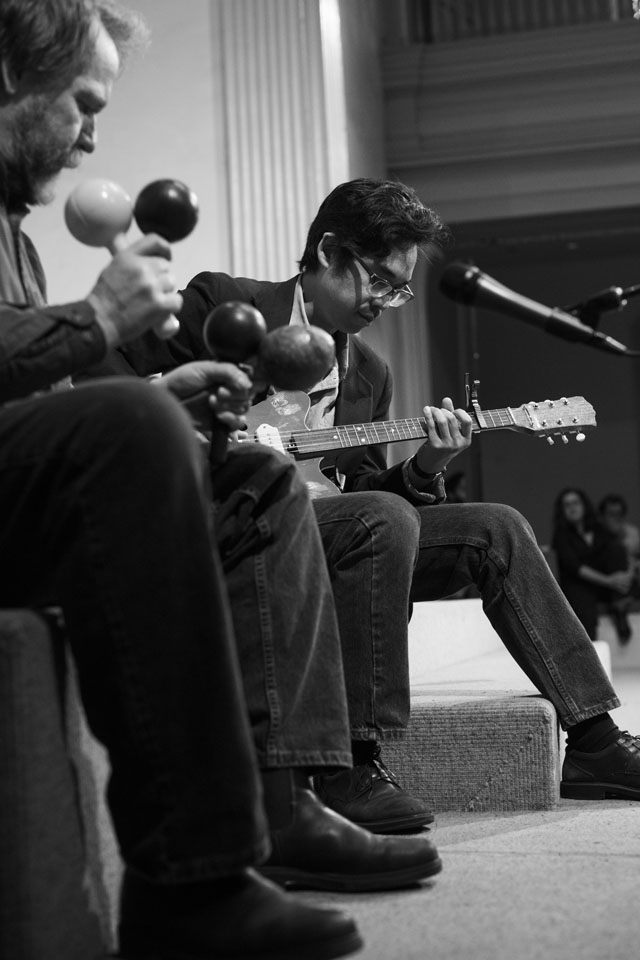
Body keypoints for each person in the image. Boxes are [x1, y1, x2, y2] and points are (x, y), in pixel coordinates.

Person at [0, 8, 440, 960]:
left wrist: (165, 393)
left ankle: (282, 803)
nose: (92, 135)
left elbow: (32, 405)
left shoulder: (16, 239)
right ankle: (190, 879)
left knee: (257, 477)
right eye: (84, 103)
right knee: (140, 427)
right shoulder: (214, 291)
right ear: (9, 77)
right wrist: (95, 323)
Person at [91, 177, 640, 812]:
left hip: (319, 529)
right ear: (328, 251)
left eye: (399, 289)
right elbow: (101, 366)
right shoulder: (226, 302)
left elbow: (362, 492)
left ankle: (595, 740)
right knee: (381, 520)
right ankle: (347, 764)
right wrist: (183, 420)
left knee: (498, 528)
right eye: (379, 279)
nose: (386, 301)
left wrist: (427, 465)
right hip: (217, 516)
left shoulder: (369, 374)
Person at [552, 487, 635, 644]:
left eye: (575, 503)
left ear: (584, 505)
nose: (572, 508)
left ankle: (620, 609)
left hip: (606, 583)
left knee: (616, 549)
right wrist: (609, 581)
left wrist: (625, 576)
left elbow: (620, 550)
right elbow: (576, 568)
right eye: (567, 505)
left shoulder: (598, 528)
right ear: (562, 510)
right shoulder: (561, 536)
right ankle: (588, 647)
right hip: (579, 584)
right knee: (581, 599)